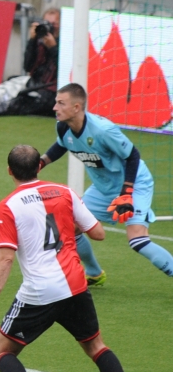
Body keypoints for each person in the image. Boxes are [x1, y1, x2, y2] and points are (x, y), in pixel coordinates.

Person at [0, 145, 146, 372]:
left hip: (40, 292)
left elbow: (5, 260)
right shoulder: (64, 191)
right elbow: (98, 233)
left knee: (2, 351)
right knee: (95, 346)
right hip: (75, 285)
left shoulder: (8, 206)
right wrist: (71, 225)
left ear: (9, 171)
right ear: (39, 167)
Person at [40, 83, 173, 286]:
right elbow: (61, 144)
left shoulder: (103, 130)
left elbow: (132, 155)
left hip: (134, 183)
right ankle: (94, 273)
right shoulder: (63, 126)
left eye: (60, 103)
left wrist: (127, 192)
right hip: (103, 189)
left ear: (76, 107)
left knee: (137, 240)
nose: (55, 108)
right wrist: (40, 163)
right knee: (71, 226)